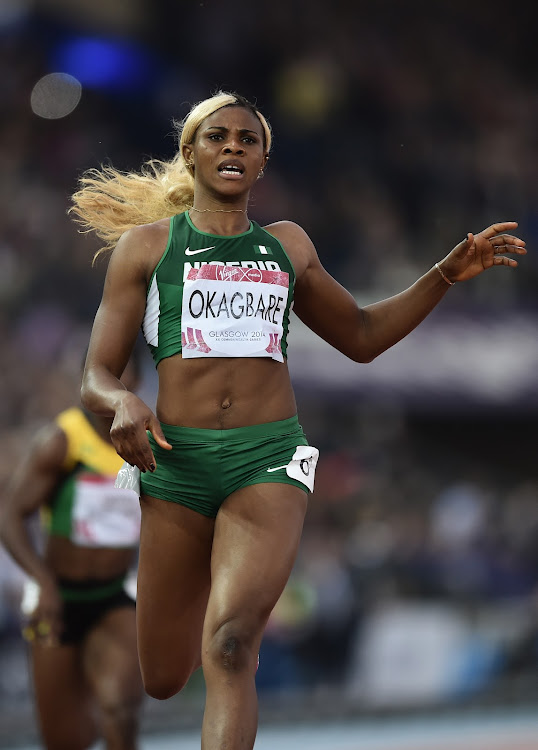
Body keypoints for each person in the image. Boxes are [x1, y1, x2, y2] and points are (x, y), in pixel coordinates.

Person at [68, 91, 526, 750]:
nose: (233, 146)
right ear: (191, 155)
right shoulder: (145, 250)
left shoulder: (288, 245)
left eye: (247, 140)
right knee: (164, 677)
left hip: (269, 458)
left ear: (262, 163)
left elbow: (362, 336)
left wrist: (442, 276)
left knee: (229, 647)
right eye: (218, 136)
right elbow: (95, 377)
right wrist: (122, 403)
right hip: (175, 461)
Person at [0, 354, 145, 750]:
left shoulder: (148, 443)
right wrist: (42, 581)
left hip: (114, 598)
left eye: (124, 374)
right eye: (106, 373)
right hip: (56, 600)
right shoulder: (61, 441)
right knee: (64, 739)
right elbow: (10, 516)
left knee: (121, 708)